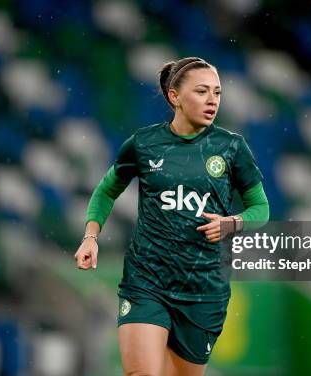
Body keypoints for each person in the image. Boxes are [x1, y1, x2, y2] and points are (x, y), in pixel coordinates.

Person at [74, 57, 269, 376]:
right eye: (202, 91)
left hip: (203, 288)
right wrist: (91, 237)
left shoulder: (231, 148)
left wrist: (232, 223)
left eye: (217, 93)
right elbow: (107, 190)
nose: (212, 100)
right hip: (146, 280)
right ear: (174, 96)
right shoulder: (144, 144)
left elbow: (261, 209)